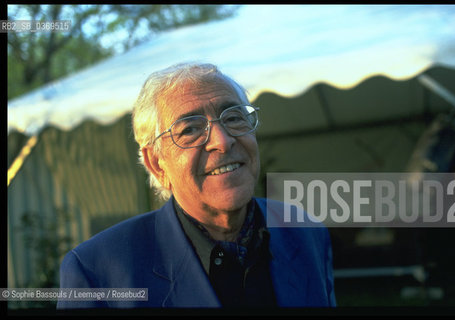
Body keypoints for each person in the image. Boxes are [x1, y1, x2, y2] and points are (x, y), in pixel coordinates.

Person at [57, 62, 336, 309]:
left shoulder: (305, 231)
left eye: (234, 117)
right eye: (190, 129)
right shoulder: (97, 272)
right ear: (156, 164)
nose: (223, 141)